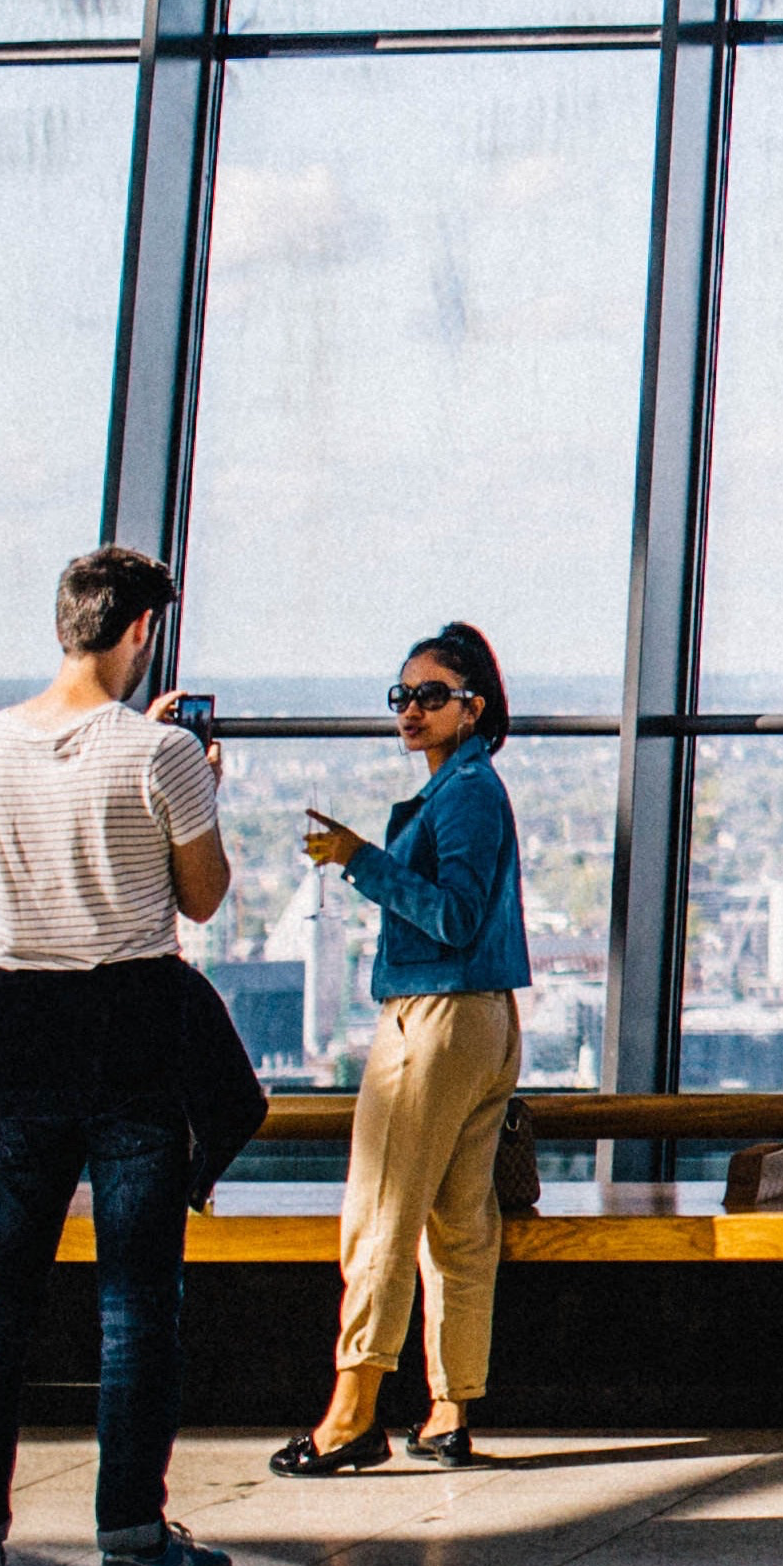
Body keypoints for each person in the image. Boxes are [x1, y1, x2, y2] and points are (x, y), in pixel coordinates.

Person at [0, 547, 257, 1566]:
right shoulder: (160, 756)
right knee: (136, 1297)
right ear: (143, 631)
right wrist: (194, 779)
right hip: (131, 1032)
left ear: (67, 622)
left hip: (12, 1025)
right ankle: (132, 1535)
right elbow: (201, 899)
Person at [270, 623, 529, 1477]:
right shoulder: (468, 789)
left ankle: (350, 1415)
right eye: (403, 696)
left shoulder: (464, 795)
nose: (411, 711)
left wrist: (359, 861)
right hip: (482, 1022)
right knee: (459, 1221)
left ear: (473, 706)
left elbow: (451, 915)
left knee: (381, 1213)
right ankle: (449, 1408)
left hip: (435, 1020)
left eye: (430, 696)